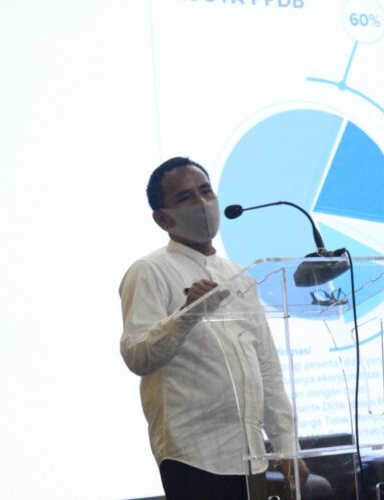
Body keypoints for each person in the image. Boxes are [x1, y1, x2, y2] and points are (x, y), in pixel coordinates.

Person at [119, 157, 309, 500]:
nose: (202, 202)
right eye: (185, 197)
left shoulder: (240, 276)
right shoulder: (148, 271)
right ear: (162, 218)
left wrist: (286, 444)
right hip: (193, 455)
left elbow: (267, 368)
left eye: (206, 191)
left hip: (250, 455)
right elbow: (137, 355)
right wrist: (186, 314)